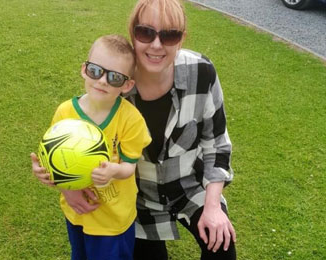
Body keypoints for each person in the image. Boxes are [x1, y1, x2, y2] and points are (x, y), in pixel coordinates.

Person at [33, 0, 237, 259]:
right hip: (137, 202)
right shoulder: (114, 84)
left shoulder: (202, 72)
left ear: (182, 38)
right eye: (145, 32)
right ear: (133, 34)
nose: (156, 44)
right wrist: (66, 187)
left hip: (190, 188)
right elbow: (77, 148)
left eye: (170, 35)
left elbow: (217, 143)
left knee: (222, 246)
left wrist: (212, 206)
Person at [31, 34, 151, 260]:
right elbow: (54, 159)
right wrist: (49, 174)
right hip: (76, 212)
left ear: (127, 85)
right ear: (84, 69)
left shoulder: (130, 119)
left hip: (112, 220)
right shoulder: (65, 113)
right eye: (96, 71)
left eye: (114, 77)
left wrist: (114, 171)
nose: (103, 81)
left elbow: (129, 167)